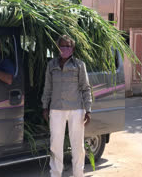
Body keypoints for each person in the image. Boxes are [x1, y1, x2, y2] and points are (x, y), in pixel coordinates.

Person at [42, 35, 92, 177]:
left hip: (76, 110)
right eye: (62, 46)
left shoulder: (79, 65)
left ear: (72, 48)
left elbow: (85, 88)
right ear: (58, 48)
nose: (65, 48)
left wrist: (88, 110)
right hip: (56, 109)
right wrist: (45, 107)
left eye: (68, 46)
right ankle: (56, 174)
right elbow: (47, 88)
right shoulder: (51, 65)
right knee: (55, 145)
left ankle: (78, 174)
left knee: (77, 145)